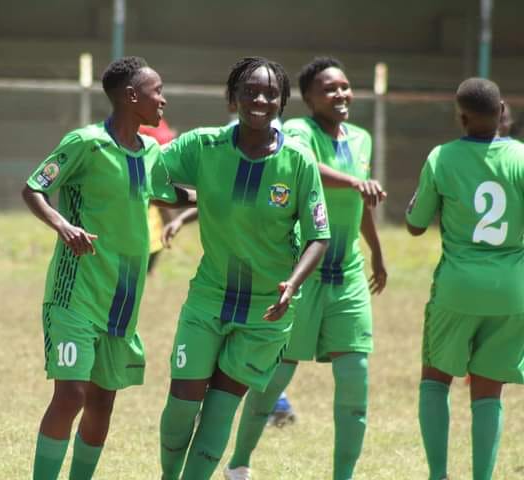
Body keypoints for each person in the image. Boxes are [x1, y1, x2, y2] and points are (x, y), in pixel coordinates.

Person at [158, 56, 330, 480]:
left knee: (219, 412)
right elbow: (145, 172)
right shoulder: (203, 145)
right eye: (250, 90)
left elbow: (319, 236)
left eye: (271, 93)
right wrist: (186, 199)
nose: (260, 98)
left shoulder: (300, 161)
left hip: (266, 311)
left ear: (282, 102)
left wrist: (293, 282)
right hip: (209, 297)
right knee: (182, 405)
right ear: (232, 97)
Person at [22, 56, 192, 480]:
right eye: (157, 92)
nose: (163, 100)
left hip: (124, 297)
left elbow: (169, 193)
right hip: (76, 292)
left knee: (102, 400)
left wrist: (218, 192)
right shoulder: (85, 142)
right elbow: (34, 188)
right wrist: (63, 226)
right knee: (72, 394)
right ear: (132, 96)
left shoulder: (151, 150)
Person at [224, 56, 387, 480]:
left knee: (356, 379)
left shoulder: (362, 139)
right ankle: (239, 463)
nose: (340, 94)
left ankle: (343, 476)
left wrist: (377, 253)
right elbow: (309, 167)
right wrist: (354, 182)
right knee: (276, 377)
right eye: (329, 88)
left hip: (347, 273)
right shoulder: (297, 132)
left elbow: (362, 201)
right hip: (303, 271)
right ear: (309, 98)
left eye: (345, 86)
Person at [406, 77, 524, 480]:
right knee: (489, 391)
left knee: (435, 379)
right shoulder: (522, 158)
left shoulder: (442, 157)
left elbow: (416, 225)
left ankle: (438, 475)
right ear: (502, 111)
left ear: (461, 117)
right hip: (511, 289)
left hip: (458, 287)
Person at [139, 118, 178, 274]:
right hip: (147, 170)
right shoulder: (141, 123)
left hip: (157, 168)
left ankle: (149, 267)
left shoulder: (156, 119)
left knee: (161, 215)